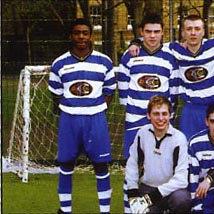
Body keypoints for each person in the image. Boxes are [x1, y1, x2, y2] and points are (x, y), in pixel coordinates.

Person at [129, 14, 214, 140]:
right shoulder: (174, 49)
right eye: (189, 29)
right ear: (183, 32)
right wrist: (135, 42)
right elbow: (151, 42)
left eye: (197, 29)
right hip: (191, 109)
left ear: (203, 31)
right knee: (189, 149)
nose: (193, 33)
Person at [48, 18, 116, 214]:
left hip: (96, 119)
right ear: (71, 35)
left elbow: (110, 91)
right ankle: (65, 210)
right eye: (77, 33)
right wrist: (71, 108)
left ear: (90, 35)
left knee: (101, 166)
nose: (81, 37)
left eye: (85, 33)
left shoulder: (104, 61)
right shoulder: (59, 63)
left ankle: (105, 211)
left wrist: (97, 108)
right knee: (66, 163)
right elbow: (56, 92)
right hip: (69, 119)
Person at [117, 13, 179, 161]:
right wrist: (129, 107)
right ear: (141, 32)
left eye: (156, 32)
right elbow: (123, 85)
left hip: (160, 118)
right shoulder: (130, 55)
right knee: (134, 162)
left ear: (163, 32)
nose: (152, 36)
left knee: (161, 161)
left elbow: (174, 89)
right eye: (148, 31)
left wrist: (169, 112)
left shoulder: (170, 57)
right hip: (135, 116)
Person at [124, 95, 191, 213]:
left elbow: (182, 179)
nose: (161, 118)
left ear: (170, 115)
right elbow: (132, 163)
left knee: (182, 199)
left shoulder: (179, 138)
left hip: (172, 191)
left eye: (164, 114)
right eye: (156, 113)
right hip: (148, 188)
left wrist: (151, 198)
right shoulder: (142, 133)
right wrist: (133, 193)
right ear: (148, 115)